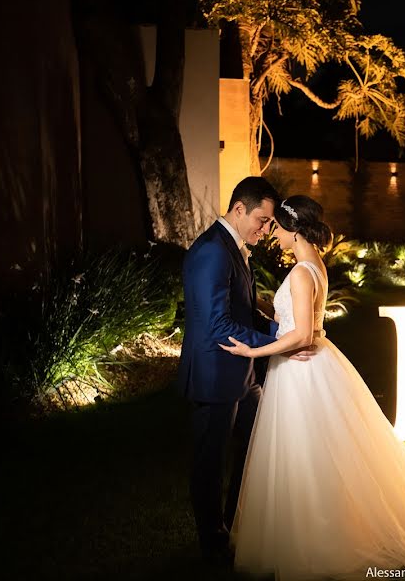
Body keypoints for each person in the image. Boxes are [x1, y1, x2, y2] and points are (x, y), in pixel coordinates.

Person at [220, 195, 405, 579]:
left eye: (277, 227)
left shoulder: (299, 272)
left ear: (294, 230)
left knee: (304, 451)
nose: (273, 233)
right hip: (312, 367)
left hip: (302, 372)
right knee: (314, 453)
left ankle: (314, 536)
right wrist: (264, 307)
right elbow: (300, 320)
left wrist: (253, 349)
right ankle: (314, 527)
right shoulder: (316, 266)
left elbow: (302, 334)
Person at [177, 177, 315, 564]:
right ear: (239, 209)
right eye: (262, 219)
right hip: (215, 376)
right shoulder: (212, 253)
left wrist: (287, 335)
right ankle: (212, 542)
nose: (266, 229)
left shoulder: (234, 249)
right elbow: (218, 326)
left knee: (256, 448)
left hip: (243, 376)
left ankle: (235, 523)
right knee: (210, 462)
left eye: (271, 223)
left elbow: (244, 313)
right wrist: (276, 348)